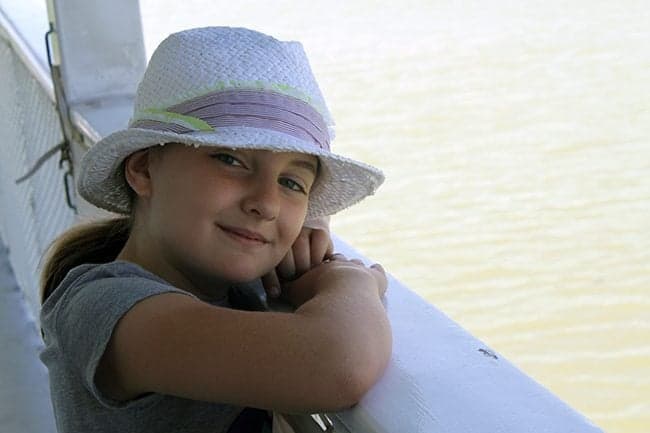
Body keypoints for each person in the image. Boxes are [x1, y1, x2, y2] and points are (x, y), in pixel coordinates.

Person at [39, 26, 391, 433]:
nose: (266, 203)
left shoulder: (218, 273)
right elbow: (338, 366)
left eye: (291, 183)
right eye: (230, 159)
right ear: (142, 168)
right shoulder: (106, 306)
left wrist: (307, 226)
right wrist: (352, 282)